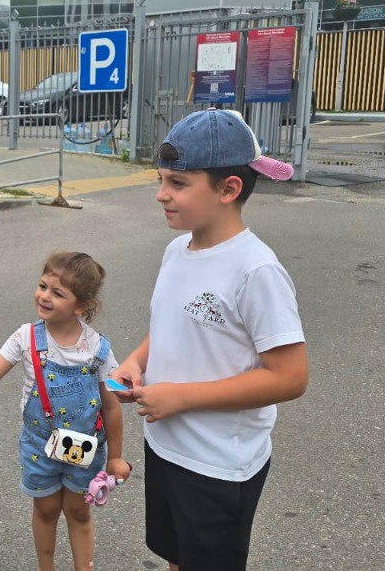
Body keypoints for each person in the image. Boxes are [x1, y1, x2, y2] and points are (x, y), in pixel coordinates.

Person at [109, 108, 309, 571]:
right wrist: (137, 361)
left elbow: (290, 377)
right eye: (161, 180)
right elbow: (171, 325)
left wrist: (181, 397)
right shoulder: (176, 250)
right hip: (165, 446)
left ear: (228, 189)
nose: (161, 194)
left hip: (217, 465)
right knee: (177, 556)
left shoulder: (256, 270)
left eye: (178, 183)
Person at [0, 251, 130, 571]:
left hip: (84, 448)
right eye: (43, 286)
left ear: (81, 306)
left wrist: (115, 457)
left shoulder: (98, 349)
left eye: (57, 293)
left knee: (78, 512)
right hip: (39, 446)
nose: (44, 296)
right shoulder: (25, 337)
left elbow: (112, 405)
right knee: (45, 510)